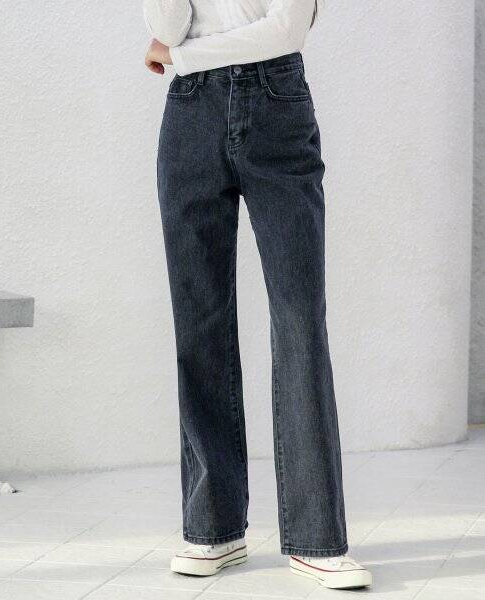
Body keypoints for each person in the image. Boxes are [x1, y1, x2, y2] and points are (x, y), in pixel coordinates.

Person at [143, 0, 372, 590]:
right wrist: (177, 50)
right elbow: (167, 26)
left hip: (277, 107)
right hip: (190, 116)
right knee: (199, 323)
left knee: (299, 323)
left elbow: (285, 32)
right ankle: (213, 528)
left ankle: (317, 538)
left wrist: (182, 57)